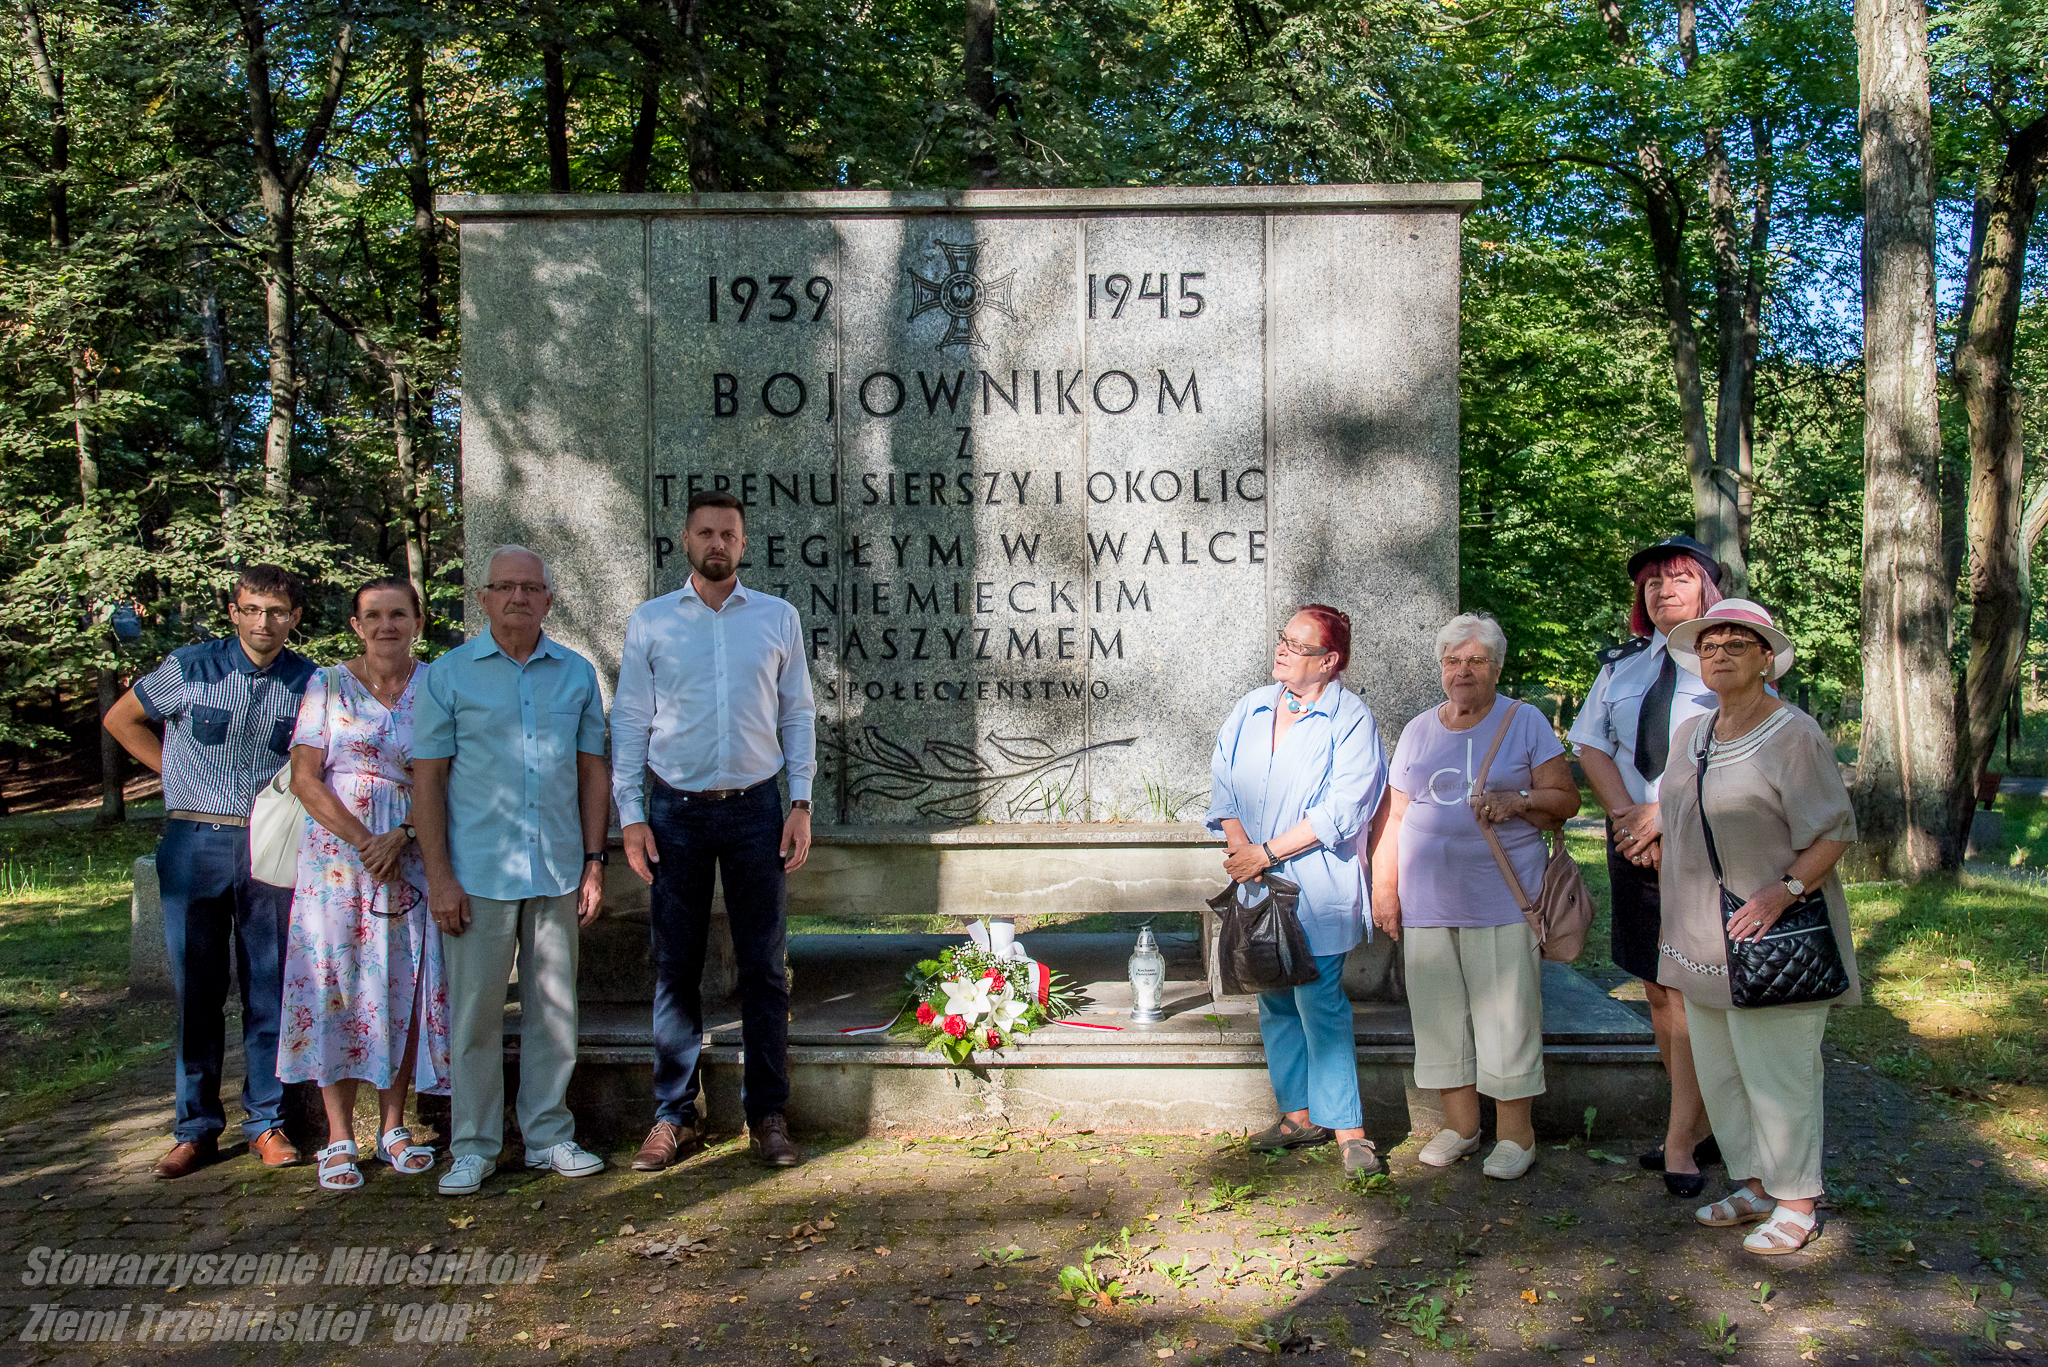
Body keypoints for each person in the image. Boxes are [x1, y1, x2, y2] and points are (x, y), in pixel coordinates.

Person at [613, 490, 818, 1171]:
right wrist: (632, 814)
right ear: (686, 538)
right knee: (675, 967)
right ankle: (673, 1116)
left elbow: (798, 714)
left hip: (758, 807)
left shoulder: (776, 618)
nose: (717, 543)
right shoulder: (651, 622)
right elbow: (630, 721)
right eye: (706, 532)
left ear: (744, 540)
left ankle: (767, 1112)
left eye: (729, 532)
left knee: (763, 966)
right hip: (675, 812)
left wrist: (801, 801)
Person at [102, 564, 318, 1179]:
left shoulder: (311, 682)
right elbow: (121, 720)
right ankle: (194, 1128)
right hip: (194, 840)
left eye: (277, 611)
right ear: (233, 610)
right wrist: (170, 772)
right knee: (196, 989)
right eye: (252, 608)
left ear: (294, 618)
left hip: (271, 845)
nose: (263, 622)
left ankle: (266, 1123)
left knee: (269, 986)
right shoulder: (189, 667)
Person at [1658, 599, 1857, 1255]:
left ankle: (1798, 1198)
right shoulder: (1691, 732)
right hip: (1699, 936)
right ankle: (1755, 1183)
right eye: (1710, 642)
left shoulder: (1793, 734)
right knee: (1723, 1070)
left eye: (1737, 643)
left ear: (1767, 657)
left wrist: (1784, 890)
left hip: (1771, 935)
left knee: (1780, 1070)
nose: (1719, 651)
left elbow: (1833, 831)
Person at [412, 546, 611, 1197]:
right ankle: (473, 1144)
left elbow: (591, 774)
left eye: (531, 587)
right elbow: (428, 781)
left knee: (555, 1011)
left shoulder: (577, 675)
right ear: (484, 596)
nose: (519, 597)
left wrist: (593, 861)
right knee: (474, 1017)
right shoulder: (448, 676)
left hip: (557, 871)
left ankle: (549, 1135)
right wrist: (439, 876)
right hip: (476, 876)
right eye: (506, 587)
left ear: (548, 600)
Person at [1370, 613, 1580, 1180]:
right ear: (1441, 668)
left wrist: (1519, 799)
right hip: (1427, 902)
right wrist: (1385, 889)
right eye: (1452, 661)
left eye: (1476, 661)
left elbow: (1566, 800)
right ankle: (1460, 1127)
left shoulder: (1525, 720)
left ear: (1496, 667)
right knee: (1439, 1019)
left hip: (1501, 898)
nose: (1463, 671)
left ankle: (1517, 1137)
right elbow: (1395, 816)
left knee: (1506, 1020)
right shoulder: (1418, 730)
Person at [1566, 535, 1726, 1196]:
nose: (1662, 590)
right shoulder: (1623, 665)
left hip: (1706, 836)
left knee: (1691, 993)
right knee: (1657, 989)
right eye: (1652, 583)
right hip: (1634, 839)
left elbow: (1740, 741)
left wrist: (1664, 812)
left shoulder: (1728, 653)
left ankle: (1683, 1137)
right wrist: (1633, 818)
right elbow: (1590, 742)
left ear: (1708, 589)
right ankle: (1701, 1117)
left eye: (1678, 578)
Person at [280, 577, 450, 1191]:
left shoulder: (436, 683)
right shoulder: (326, 684)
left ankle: (395, 1126)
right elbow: (306, 776)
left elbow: (452, 772)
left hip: (412, 847)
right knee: (336, 985)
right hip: (337, 861)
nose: (386, 626)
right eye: (373, 615)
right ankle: (338, 1136)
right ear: (355, 625)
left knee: (399, 984)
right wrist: (362, 840)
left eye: (398, 614)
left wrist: (400, 834)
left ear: (417, 622)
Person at [1206, 605, 1388, 1176]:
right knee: (1274, 995)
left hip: (1317, 884)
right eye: (1282, 639)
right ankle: (1296, 1116)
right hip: (1255, 879)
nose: (1282, 650)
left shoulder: (1350, 719)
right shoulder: (1253, 706)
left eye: (1297, 645)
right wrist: (1242, 850)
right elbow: (1223, 780)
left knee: (1319, 1001)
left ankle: (1351, 1134)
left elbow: (1346, 807)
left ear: (1329, 661)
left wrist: (1268, 853)